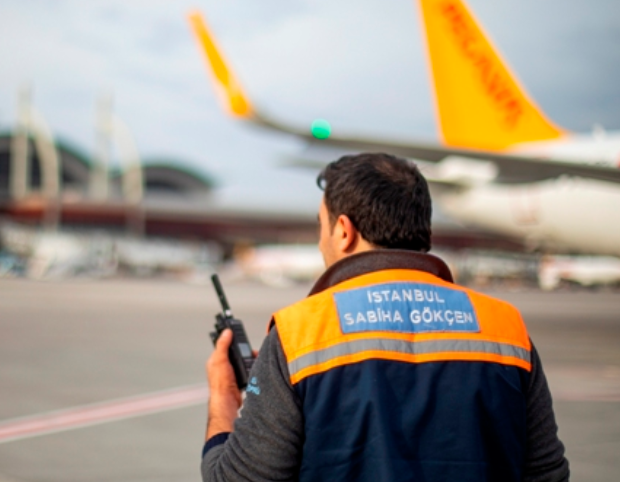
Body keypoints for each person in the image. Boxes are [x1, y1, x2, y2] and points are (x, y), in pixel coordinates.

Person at [202, 153, 569, 481]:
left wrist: (223, 395)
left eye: (320, 225)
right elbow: (548, 473)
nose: (320, 241)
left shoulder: (299, 333)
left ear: (343, 231)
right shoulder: (504, 326)